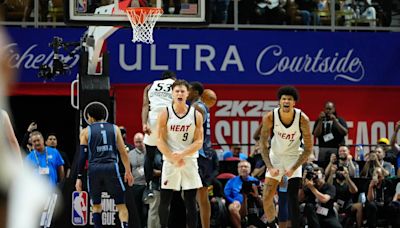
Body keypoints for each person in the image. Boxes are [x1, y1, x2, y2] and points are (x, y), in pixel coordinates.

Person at [259, 86, 313, 228]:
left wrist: (294, 167)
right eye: (283, 99)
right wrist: (270, 166)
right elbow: (263, 145)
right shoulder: (270, 117)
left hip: (293, 158)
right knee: (266, 197)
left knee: (292, 197)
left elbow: (308, 149)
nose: (286, 101)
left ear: (294, 103)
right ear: (279, 102)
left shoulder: (303, 119)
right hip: (275, 157)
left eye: (289, 99)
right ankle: (273, 226)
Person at [75, 103, 134, 228]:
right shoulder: (115, 128)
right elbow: (123, 152)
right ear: (104, 115)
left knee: (96, 205)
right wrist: (128, 171)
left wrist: (79, 176)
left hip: (94, 169)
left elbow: (82, 156)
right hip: (111, 167)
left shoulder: (85, 132)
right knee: (121, 205)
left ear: (89, 117)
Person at [156, 79, 203, 228]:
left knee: (190, 201)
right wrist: (172, 157)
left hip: (189, 160)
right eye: (177, 91)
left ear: (187, 93)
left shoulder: (196, 115)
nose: (180, 93)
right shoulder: (165, 113)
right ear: (172, 93)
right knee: (165, 199)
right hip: (170, 161)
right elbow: (159, 140)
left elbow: (199, 141)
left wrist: (181, 155)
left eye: (182, 91)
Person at [188, 81, 218, 228]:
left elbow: (191, 131)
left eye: (188, 90)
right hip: (205, 155)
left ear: (195, 92)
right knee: (202, 196)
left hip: (198, 155)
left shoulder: (196, 107)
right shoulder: (202, 106)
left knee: (194, 196)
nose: (185, 93)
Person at [142, 71, 176, 197]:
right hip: (168, 119)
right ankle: (169, 183)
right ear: (173, 78)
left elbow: (145, 106)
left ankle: (148, 186)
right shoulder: (176, 85)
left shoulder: (150, 86)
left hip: (153, 119)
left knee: (149, 155)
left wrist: (144, 124)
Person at [224, 160, 264, 228]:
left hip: (252, 203)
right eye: (241, 167)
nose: (243, 168)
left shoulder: (255, 181)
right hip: (238, 203)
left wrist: (257, 196)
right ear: (238, 169)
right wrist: (233, 201)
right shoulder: (231, 181)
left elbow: (262, 195)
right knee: (232, 208)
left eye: (246, 167)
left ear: (250, 169)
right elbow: (226, 194)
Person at [312, 101, 348, 168]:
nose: (328, 111)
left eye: (330, 109)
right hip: (323, 148)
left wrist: (335, 121)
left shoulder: (339, 120)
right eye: (326, 109)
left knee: (335, 167)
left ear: (334, 109)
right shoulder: (320, 120)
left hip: (336, 148)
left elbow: (345, 132)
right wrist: (320, 121)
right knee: (321, 167)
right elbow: (316, 134)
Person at [127, 132, 147, 228]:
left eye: (140, 142)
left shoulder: (149, 152)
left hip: (147, 185)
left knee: (146, 210)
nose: (138, 144)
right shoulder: (130, 154)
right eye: (136, 142)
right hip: (136, 185)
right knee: (137, 209)